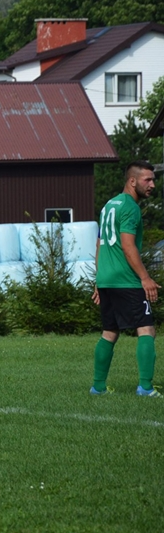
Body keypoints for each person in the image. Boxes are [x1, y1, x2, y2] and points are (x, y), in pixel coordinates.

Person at [91, 160, 160, 397]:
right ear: (132, 181)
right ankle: (145, 387)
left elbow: (99, 245)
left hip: (107, 279)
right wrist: (145, 277)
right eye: (147, 180)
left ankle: (98, 387)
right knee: (146, 329)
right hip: (125, 279)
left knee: (109, 331)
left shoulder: (109, 205)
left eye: (153, 179)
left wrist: (99, 280)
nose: (152, 184)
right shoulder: (130, 207)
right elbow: (128, 246)